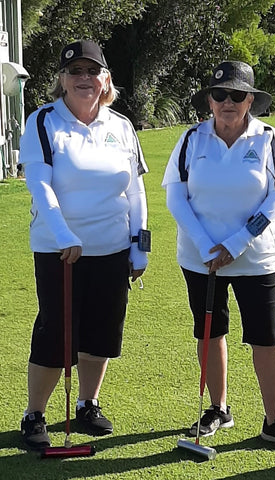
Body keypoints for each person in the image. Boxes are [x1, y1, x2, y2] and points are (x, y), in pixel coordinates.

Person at [162, 61, 275, 452]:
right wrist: (207, 244)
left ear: (250, 101)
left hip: (256, 257)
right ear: (210, 99)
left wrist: (238, 241)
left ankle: (274, 420)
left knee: (266, 338)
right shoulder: (192, 139)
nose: (228, 102)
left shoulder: (268, 139)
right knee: (210, 332)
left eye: (237, 95)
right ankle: (218, 408)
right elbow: (175, 195)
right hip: (201, 257)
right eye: (220, 94)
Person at [19, 40, 149, 449]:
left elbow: (136, 191)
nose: (84, 79)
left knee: (101, 333)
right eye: (74, 71)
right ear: (61, 79)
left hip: (111, 249)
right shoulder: (42, 122)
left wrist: (138, 245)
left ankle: (88, 403)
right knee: (55, 333)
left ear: (105, 79)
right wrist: (63, 235)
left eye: (92, 71)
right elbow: (39, 185)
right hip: (60, 250)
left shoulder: (121, 126)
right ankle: (34, 414)